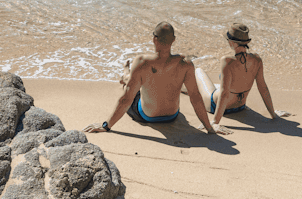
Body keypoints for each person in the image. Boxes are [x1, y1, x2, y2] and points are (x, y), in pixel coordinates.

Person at [85, 21, 223, 135]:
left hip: (146, 116)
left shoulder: (142, 62)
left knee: (133, 87)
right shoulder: (185, 63)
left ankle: (125, 75)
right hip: (172, 115)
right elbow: (195, 97)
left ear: (154, 39)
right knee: (141, 83)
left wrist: (106, 125)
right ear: (174, 40)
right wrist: (209, 128)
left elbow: (126, 99)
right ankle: (126, 76)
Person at [194, 21, 287, 127]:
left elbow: (224, 94)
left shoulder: (227, 61)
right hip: (240, 106)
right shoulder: (257, 59)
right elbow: (263, 88)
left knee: (198, 71)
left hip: (216, 106)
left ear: (232, 42)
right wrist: (273, 114)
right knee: (216, 85)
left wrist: (215, 122)